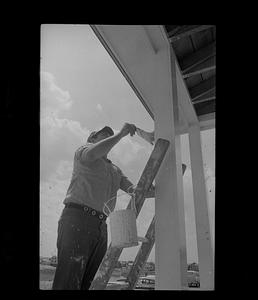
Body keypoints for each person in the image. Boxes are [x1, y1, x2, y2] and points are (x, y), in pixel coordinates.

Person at [52, 123, 154, 290]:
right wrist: (120, 134)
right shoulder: (84, 152)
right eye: (103, 134)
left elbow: (135, 191)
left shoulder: (115, 170)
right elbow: (93, 153)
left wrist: (160, 188)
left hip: (101, 225)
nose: (107, 136)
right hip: (77, 219)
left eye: (110, 134)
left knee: (92, 282)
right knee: (69, 281)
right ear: (92, 138)